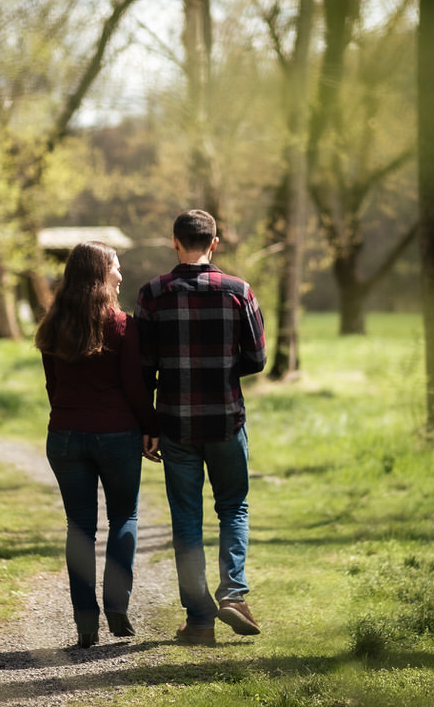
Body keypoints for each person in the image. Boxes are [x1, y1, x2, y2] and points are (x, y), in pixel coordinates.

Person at [135, 209, 268, 646]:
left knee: (186, 520)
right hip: (227, 421)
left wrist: (149, 423)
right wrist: (224, 370)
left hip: (174, 425)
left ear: (174, 241)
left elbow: (143, 366)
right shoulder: (239, 291)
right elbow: (257, 359)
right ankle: (233, 595)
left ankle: (199, 621)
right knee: (234, 508)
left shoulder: (151, 294)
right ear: (215, 243)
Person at [34, 241, 158, 649]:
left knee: (79, 527)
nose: (121, 275)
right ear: (100, 274)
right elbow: (135, 389)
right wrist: (150, 426)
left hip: (65, 436)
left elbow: (53, 387)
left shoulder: (52, 324)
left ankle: (85, 621)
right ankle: (117, 605)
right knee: (124, 516)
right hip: (117, 434)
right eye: (116, 268)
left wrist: (72, 419)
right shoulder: (122, 325)